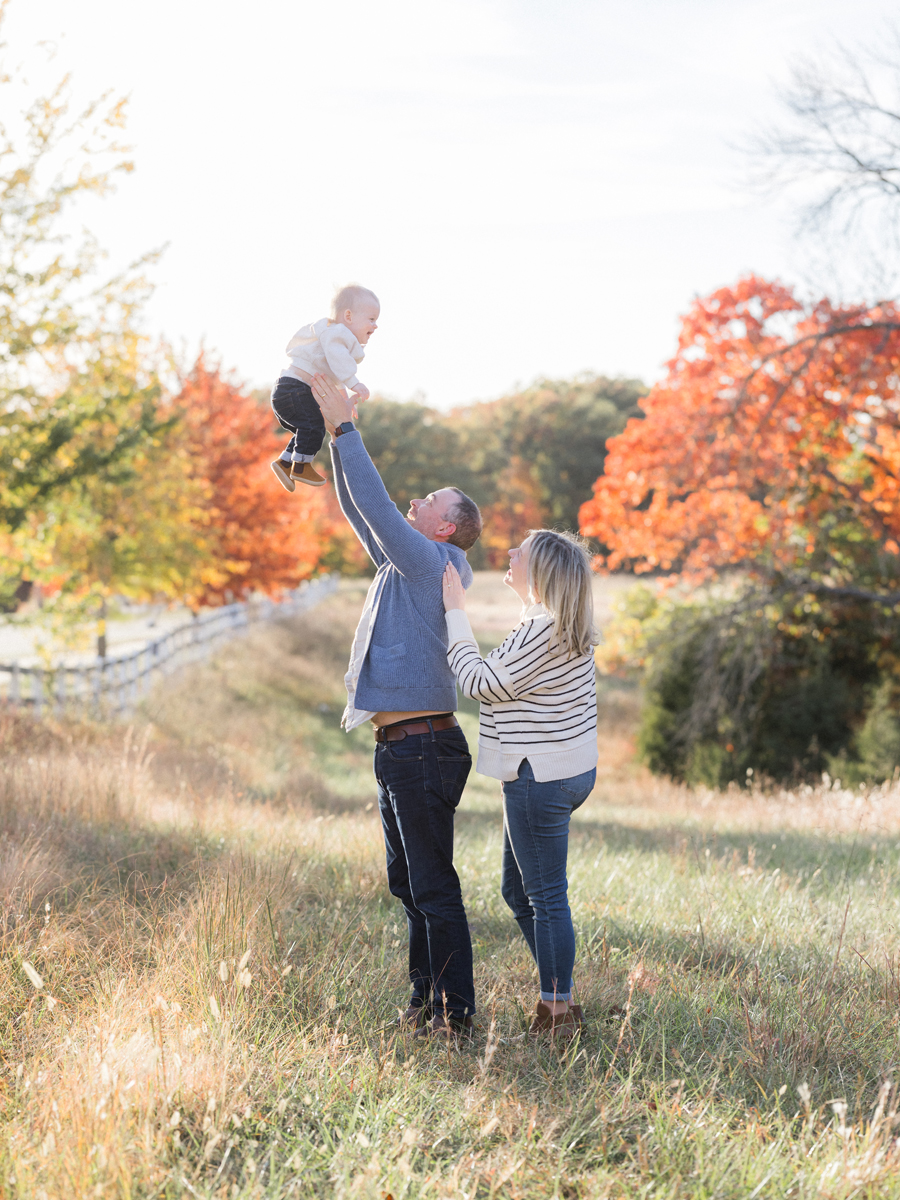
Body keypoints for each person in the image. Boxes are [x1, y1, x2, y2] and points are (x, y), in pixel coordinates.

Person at [310, 371, 484, 1040]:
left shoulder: (435, 561)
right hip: (400, 750)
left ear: (446, 525)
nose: (415, 499)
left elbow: (381, 509)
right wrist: (336, 433)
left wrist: (346, 428)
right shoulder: (405, 567)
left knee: (432, 886)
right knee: (409, 886)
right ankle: (425, 1002)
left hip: (422, 749)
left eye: (429, 497)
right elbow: (362, 511)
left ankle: (457, 1015)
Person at [441, 530, 598, 1039]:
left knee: (546, 896)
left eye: (520, 552)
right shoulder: (553, 623)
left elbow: (481, 683)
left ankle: (556, 1013)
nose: (509, 553)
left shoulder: (544, 628)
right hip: (564, 771)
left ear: (543, 571)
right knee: (519, 890)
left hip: (541, 779)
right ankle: (562, 992)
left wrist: (454, 612)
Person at [270, 285, 379, 491]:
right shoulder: (337, 334)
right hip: (294, 390)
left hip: (289, 391)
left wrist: (345, 402)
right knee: (314, 426)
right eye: (371, 319)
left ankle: (285, 463)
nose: (375, 326)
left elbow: (334, 376)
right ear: (348, 316)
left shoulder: (333, 339)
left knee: (306, 429)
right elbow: (339, 360)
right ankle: (301, 466)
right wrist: (354, 382)